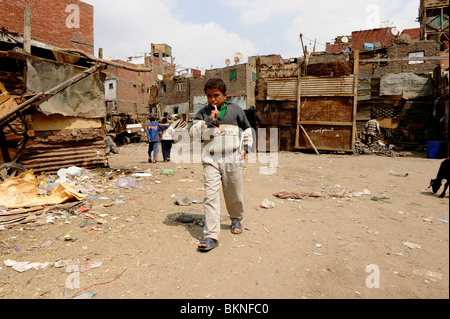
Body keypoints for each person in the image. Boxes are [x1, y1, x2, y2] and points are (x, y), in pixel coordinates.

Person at [191, 78, 253, 252]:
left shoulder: (235, 110)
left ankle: (236, 219)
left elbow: (247, 128)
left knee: (233, 191)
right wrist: (209, 122)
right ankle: (211, 235)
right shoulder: (203, 113)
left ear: (225, 95)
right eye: (209, 96)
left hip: (232, 157)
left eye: (216, 95)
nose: (212, 100)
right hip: (211, 159)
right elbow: (193, 133)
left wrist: (246, 148)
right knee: (210, 196)